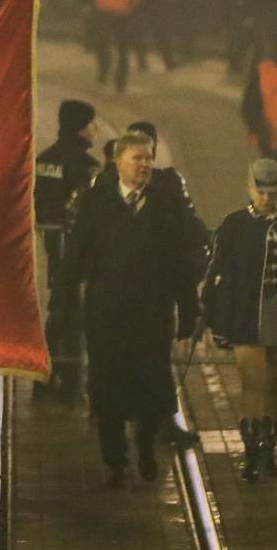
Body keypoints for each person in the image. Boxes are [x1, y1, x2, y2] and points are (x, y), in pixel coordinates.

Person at [60, 130, 206, 487]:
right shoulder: (97, 202)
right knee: (107, 387)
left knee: (152, 385)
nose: (145, 165)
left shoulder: (165, 205)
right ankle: (115, 461)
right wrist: (61, 303)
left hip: (151, 314)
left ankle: (144, 446)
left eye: (148, 158)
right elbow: (76, 253)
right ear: (118, 162)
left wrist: (189, 309)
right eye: (137, 158)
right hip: (106, 313)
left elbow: (178, 262)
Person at [201, 158, 277, 481]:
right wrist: (208, 310)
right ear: (250, 188)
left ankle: (269, 448)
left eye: (272, 191)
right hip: (244, 315)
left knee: (273, 384)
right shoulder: (234, 224)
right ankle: (251, 450)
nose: (267, 198)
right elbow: (217, 269)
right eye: (261, 192)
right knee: (251, 384)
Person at [34, 100, 100, 398]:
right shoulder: (86, 166)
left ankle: (45, 374)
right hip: (79, 249)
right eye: (92, 124)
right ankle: (68, 376)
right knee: (73, 308)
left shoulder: (45, 159)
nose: (95, 129)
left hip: (54, 244)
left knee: (59, 305)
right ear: (82, 127)